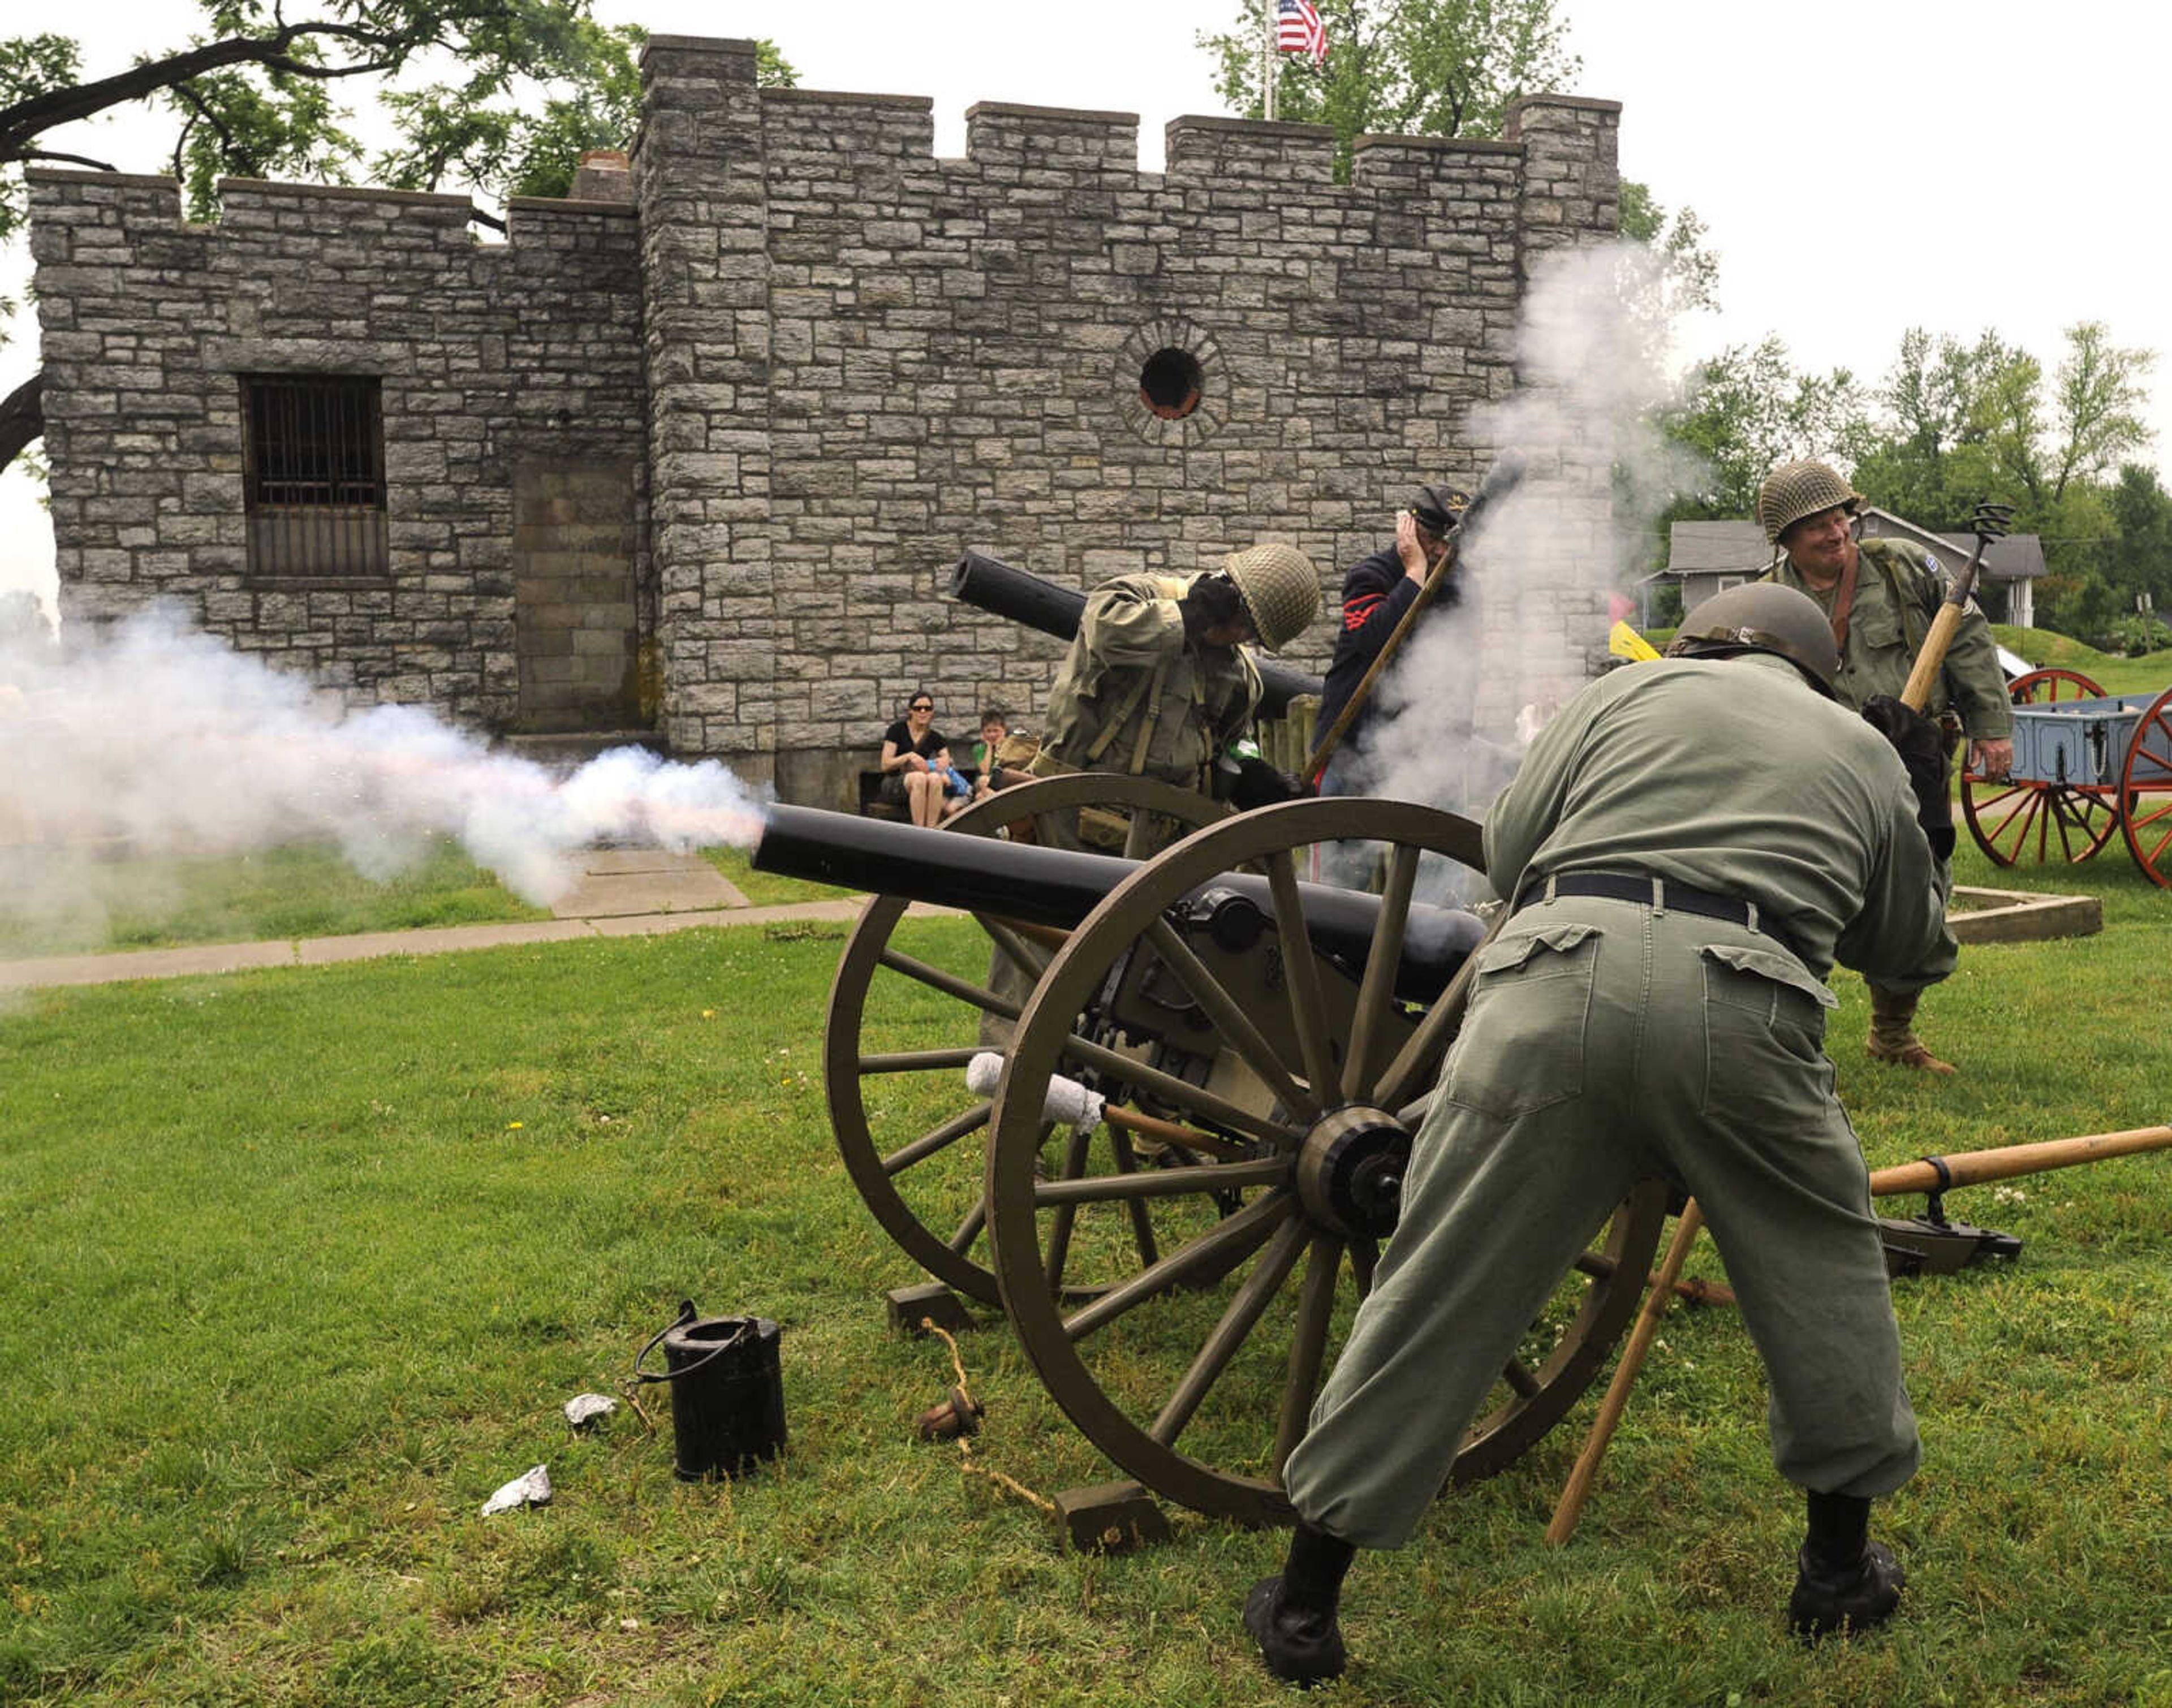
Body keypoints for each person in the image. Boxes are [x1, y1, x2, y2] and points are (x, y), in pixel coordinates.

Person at [1244, 583, 1955, 1687]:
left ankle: (1303, 1606)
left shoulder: (1616, 696)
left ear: (1700, 644)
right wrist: (1914, 799)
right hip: (1746, 1007)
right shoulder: (1857, 746)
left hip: (1550, 985)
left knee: (1438, 1281)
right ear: (1815, 670)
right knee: (1825, 1270)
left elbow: (1506, 849)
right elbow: (1908, 945)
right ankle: (1836, 1572)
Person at [1756, 459, 2013, 1074]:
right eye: (1816, 525)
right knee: (1795, 898)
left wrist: (1992, 725)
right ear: (1788, 539)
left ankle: (1892, 1034)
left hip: (1913, 765)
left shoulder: (1901, 566)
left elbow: (1969, 636)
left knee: (1917, 896)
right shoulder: (1766, 600)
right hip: (1817, 774)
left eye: (1840, 516)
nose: (1835, 532)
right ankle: (1788, 1037)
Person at [1028, 543, 1324, 844]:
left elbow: (1235, 742)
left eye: (1252, 634)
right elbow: (1106, 632)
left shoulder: (1240, 677)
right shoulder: (1138, 596)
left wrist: (1255, 776)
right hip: (1072, 818)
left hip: (1166, 842)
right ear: (1227, 588)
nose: (1239, 636)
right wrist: (1188, 616)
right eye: (1242, 622)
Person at [1309, 483, 1473, 889]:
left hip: (1426, 751)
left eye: (1445, 542)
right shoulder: (1370, 577)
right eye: (1432, 540)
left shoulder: (1461, 588)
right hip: (1354, 748)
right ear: (1409, 531)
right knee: (1340, 883)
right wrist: (1414, 574)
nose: (1438, 551)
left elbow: (1463, 673)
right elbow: (1374, 641)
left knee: (1439, 877)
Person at [877, 694, 966, 827]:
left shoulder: (935, 737)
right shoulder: (897, 730)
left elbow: (946, 760)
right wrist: (908, 756)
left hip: (924, 784)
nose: (923, 712)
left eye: (927, 708)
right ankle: (919, 831)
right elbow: (885, 765)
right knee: (919, 778)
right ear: (911, 711)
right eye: (918, 708)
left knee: (935, 778)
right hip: (895, 782)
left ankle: (932, 830)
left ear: (932, 712)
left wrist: (942, 764)